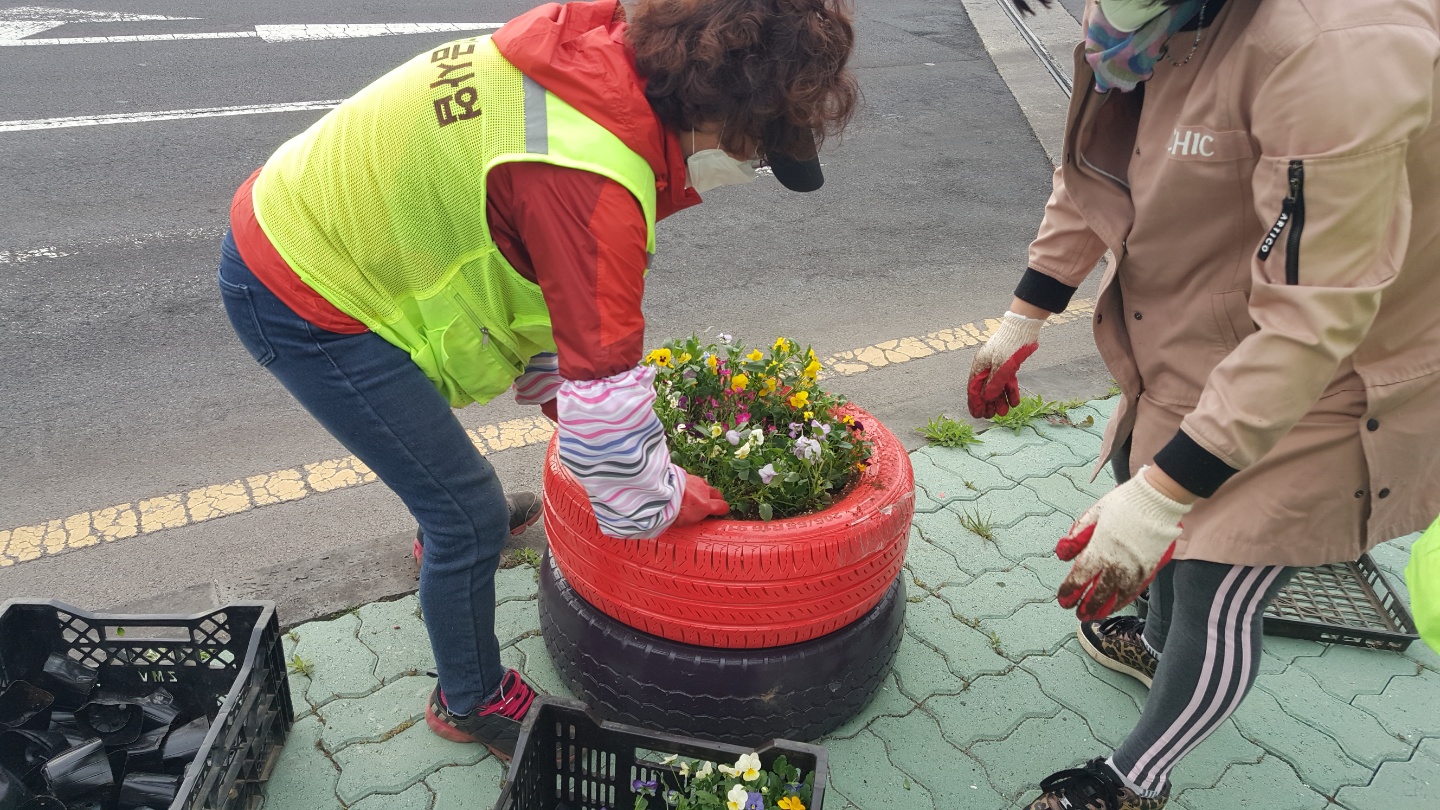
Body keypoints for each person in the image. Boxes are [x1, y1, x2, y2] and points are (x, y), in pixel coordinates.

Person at [217, 0, 857, 758]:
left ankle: (451, 530)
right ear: (719, 109)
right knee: (468, 515)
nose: (747, 167)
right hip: (302, 294)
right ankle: (471, 699)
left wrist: (571, 389)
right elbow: (614, 451)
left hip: (308, 213)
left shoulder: (594, 48)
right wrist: (669, 493)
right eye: (753, 149)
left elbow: (531, 266)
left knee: (457, 491)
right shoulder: (591, 178)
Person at [971, 1, 1440, 807]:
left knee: (1218, 578)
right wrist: (1027, 312)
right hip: (1200, 327)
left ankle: (1133, 779)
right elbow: (1097, 174)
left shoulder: (1336, 49)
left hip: (1331, 373)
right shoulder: (1137, 20)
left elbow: (1315, 315)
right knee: (1151, 509)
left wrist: (1166, 496)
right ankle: (1155, 649)